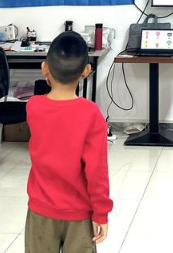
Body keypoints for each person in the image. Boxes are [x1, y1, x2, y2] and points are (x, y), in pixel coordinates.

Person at [25, 31, 113, 252]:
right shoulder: (91, 114)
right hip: (79, 213)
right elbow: (97, 169)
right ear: (86, 71)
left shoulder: (33, 106)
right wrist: (101, 212)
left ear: (45, 68)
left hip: (40, 210)